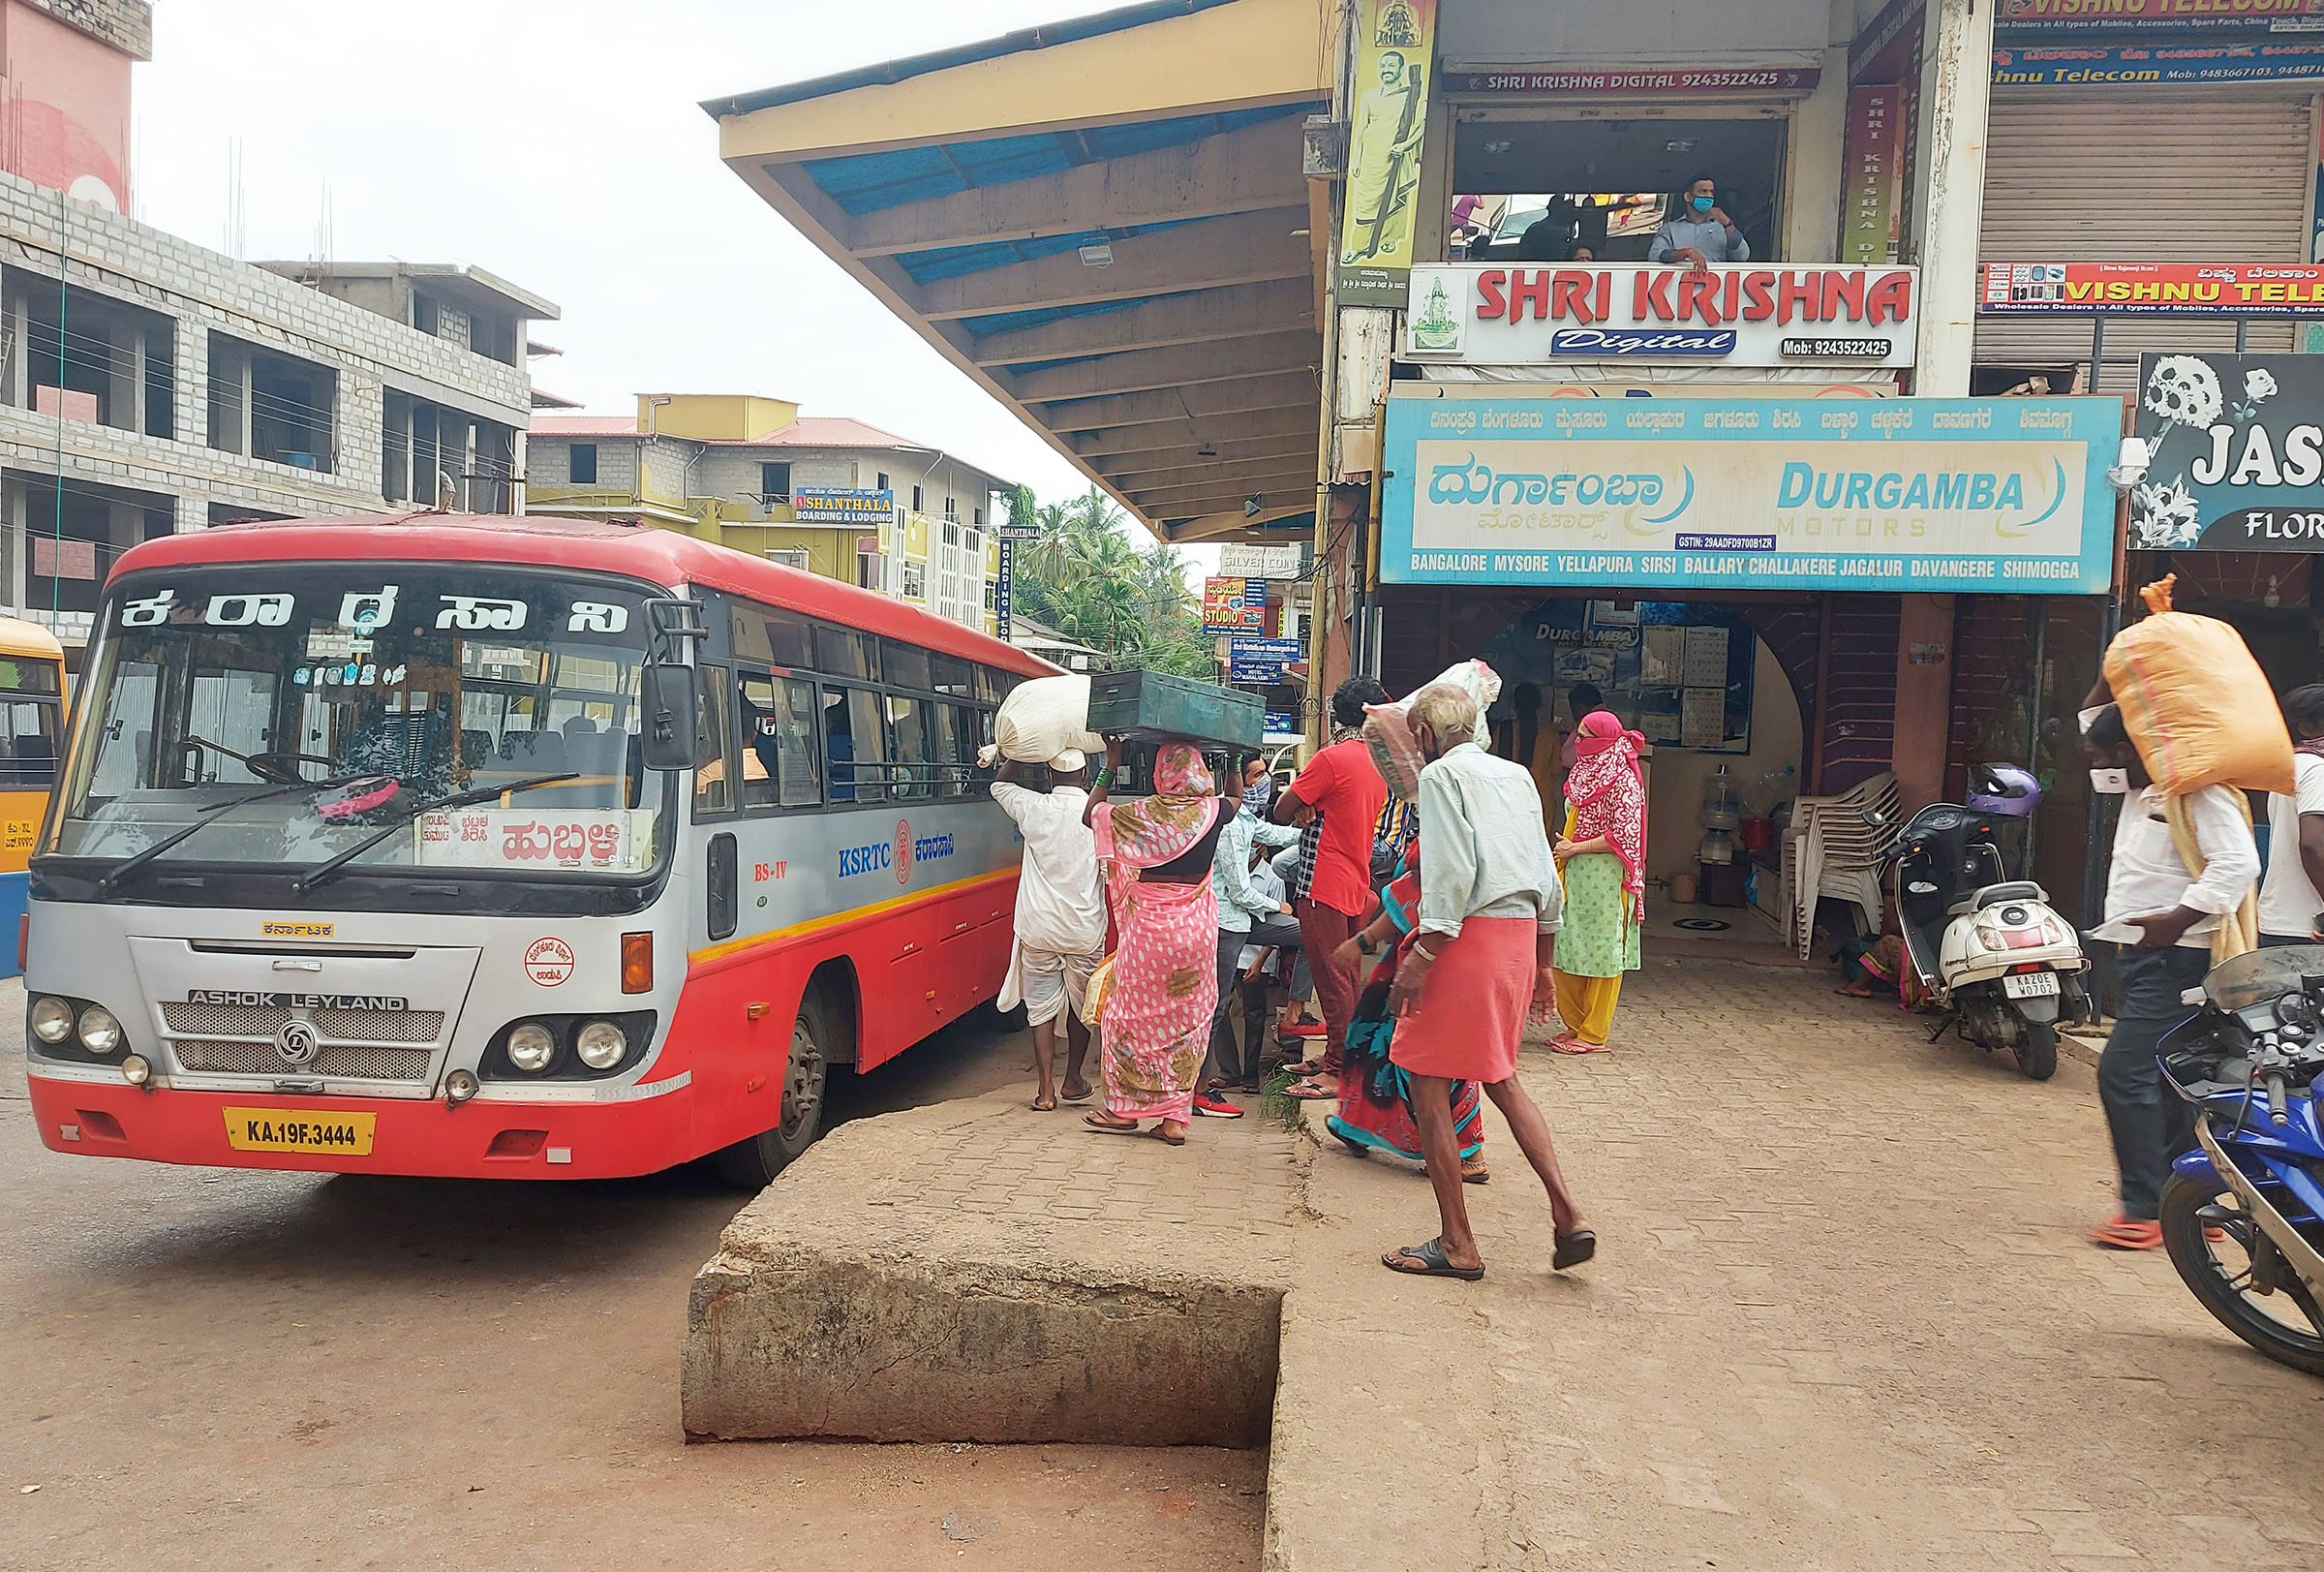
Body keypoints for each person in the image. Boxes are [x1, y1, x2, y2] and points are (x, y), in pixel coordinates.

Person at [1380, 684, 1591, 1280]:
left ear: (1423, 736)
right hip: (1518, 939)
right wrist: (1545, 966)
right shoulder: (1518, 777)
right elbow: (1545, 874)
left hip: (1464, 939)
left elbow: (1451, 877)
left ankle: (1458, 1244)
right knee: (1501, 1077)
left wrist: (1419, 958)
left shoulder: (1441, 780)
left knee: (1427, 1083)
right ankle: (1567, 1212)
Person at [2083, 703, 2261, 1250]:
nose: (2093, 764)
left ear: (2128, 752)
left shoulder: (2200, 792)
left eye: (2101, 754)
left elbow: (2238, 864)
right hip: (2144, 956)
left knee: (2124, 1071)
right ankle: (2196, 1206)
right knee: (2168, 1079)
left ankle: (2146, 1209)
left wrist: (2179, 918)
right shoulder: (2139, 786)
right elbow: (2094, 724)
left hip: (2179, 958)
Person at [1084, 740, 1231, 1147]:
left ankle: (1123, 1110)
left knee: (1126, 1016)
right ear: (1198, 769)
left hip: (1150, 930)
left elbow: (1090, 815)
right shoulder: (1214, 811)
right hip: (1196, 932)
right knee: (1187, 1023)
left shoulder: (1143, 814)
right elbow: (1235, 795)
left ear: (1161, 773)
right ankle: (1174, 1120)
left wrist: (1111, 765)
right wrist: (1234, 757)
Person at [1274, 677, 1391, 1099]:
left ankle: (1338, 1069)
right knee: (1347, 978)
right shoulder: (1378, 761)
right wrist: (1312, 804)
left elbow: (1282, 810)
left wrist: (1305, 803)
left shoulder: (1332, 758)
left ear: (1336, 714)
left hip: (1322, 879)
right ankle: (1344, 1056)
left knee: (1332, 980)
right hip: (1356, 878)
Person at [993, 752, 1107, 1111]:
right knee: (1080, 1004)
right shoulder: (1099, 815)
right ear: (1086, 772)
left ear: (1046, 773)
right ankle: (1073, 1079)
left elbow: (999, 784)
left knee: (1040, 1006)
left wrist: (1016, 751)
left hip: (1039, 928)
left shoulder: (1033, 807)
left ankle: (1045, 1091)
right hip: (1083, 930)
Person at [1198, 758, 1303, 1113]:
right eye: (1256, 775)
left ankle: (1298, 1010)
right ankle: (1198, 1088)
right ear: (1236, 783)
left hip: (1246, 920)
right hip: (1227, 923)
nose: (1264, 781)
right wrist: (1277, 904)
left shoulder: (1245, 819)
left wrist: (1315, 829)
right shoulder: (1228, 825)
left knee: (1310, 936)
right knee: (1217, 1007)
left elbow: (1274, 834)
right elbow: (1241, 892)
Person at [1549, 712, 1648, 1054]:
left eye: (1585, 736)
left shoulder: (1623, 779)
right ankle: (1575, 1024)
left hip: (1606, 876)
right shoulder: (1585, 772)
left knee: (1603, 954)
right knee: (1566, 946)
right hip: (1576, 873)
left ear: (1604, 740)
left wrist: (1576, 847)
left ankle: (1593, 1033)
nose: (1577, 743)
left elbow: (1624, 833)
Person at [1342, 50, 1423, 265]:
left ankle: (1390, 238)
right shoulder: (1369, 96)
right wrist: (1356, 160)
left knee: (1397, 195)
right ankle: (1359, 246)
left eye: (1391, 65)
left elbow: (1422, 122)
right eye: (1383, 65)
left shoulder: (1411, 94)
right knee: (1365, 203)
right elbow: (1360, 129)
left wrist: (1406, 145)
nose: (1387, 69)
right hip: (1371, 159)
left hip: (1397, 156)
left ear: (1400, 69)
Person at [2260, 684, 2324, 947]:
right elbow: (2312, 846)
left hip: (2280, 922)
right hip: (2308, 928)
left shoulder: (2293, 767)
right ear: (2306, 727)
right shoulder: (2318, 769)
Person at [1648, 175, 1749, 270]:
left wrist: (1727, 223)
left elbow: (1742, 256)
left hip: (1717, 285)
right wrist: (1686, 252)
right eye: (1703, 191)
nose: (1709, 196)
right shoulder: (1670, 228)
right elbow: (1655, 256)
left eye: (1711, 192)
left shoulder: (1722, 228)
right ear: (1688, 197)